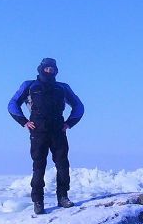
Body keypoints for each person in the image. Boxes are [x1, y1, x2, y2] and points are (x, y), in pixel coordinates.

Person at [8, 58, 85, 215]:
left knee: (62, 165)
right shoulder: (29, 86)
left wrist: (69, 123)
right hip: (38, 131)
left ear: (56, 71)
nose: (49, 71)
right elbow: (12, 104)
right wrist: (24, 121)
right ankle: (38, 201)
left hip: (58, 130)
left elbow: (79, 106)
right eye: (47, 68)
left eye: (52, 69)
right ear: (41, 69)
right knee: (39, 166)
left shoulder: (62, 87)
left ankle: (63, 197)